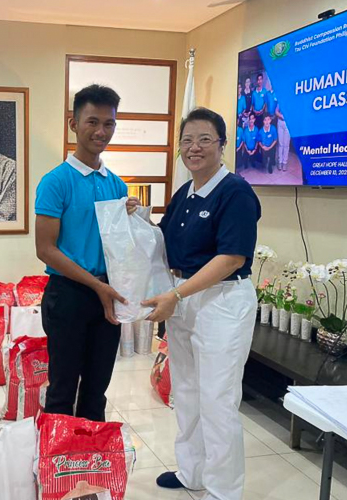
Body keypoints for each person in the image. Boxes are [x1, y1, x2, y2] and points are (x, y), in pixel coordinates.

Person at [142, 107, 261, 500]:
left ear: (223, 145)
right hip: (185, 300)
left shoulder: (235, 192)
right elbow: (164, 238)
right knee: (188, 392)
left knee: (217, 399)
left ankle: (224, 489)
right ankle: (192, 471)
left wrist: (176, 294)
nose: (194, 148)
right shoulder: (187, 192)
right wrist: (137, 216)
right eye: (187, 140)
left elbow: (231, 258)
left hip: (221, 303)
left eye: (205, 139)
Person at [35, 84, 136, 421]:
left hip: (108, 293)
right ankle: (57, 468)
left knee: (97, 389)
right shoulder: (56, 182)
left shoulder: (117, 185)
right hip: (69, 295)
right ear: (73, 124)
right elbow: (45, 249)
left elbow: (121, 246)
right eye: (92, 122)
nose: (101, 131)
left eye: (109, 124)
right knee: (62, 389)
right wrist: (96, 286)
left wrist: (135, 219)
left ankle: (91, 465)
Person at [276, 103, 291, 172]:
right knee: (281, 144)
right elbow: (276, 112)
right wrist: (282, 116)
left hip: (288, 124)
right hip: (280, 122)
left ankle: (285, 162)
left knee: (286, 145)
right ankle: (280, 161)